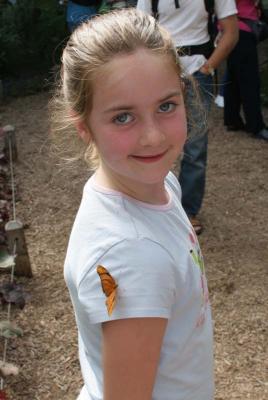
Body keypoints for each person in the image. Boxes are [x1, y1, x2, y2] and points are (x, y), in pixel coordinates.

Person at [51, 8, 214, 400]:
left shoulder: (160, 184)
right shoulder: (132, 255)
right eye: (123, 117)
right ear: (85, 128)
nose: (153, 137)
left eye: (166, 106)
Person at [137, 0, 238, 234]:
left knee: (196, 144)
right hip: (159, 72)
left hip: (198, 71)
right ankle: (152, 206)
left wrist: (209, 66)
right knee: (151, 141)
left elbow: (231, 31)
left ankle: (187, 211)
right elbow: (140, 33)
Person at [224, 0, 268, 141]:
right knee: (250, 80)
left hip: (230, 27)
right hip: (241, 27)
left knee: (234, 76)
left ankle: (232, 119)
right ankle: (256, 126)